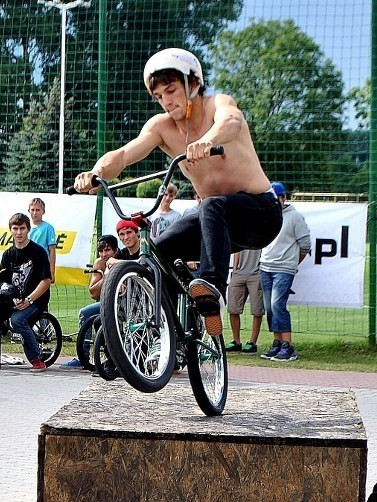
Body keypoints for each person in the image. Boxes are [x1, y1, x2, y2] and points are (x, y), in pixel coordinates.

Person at [73, 47, 282, 338]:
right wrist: (95, 174)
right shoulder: (161, 127)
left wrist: (207, 140)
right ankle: (172, 333)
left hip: (261, 214)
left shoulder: (216, 105)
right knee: (157, 252)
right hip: (218, 224)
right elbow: (122, 155)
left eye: (171, 90)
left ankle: (211, 291)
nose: (166, 101)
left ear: (193, 84)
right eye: (159, 96)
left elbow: (231, 121)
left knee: (210, 205)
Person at [0, 213, 51, 372]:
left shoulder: (38, 252)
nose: (19, 232)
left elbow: (46, 281)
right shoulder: (8, 254)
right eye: (15, 228)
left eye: (22, 228)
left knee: (17, 320)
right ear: (11, 230)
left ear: (28, 229)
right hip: (13, 300)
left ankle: (37, 359)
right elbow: (2, 282)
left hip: (36, 300)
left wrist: (28, 299)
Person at [259, 182, 311, 362]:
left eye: (277, 199)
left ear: (284, 198)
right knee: (269, 307)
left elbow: (305, 245)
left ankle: (288, 346)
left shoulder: (295, 217)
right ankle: (277, 342)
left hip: (284, 269)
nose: (274, 202)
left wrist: (292, 264)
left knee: (276, 305)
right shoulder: (267, 216)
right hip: (265, 266)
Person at [60, 234, 119, 369]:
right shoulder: (99, 263)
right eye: (101, 251)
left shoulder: (119, 259)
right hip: (105, 303)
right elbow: (93, 292)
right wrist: (106, 277)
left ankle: (113, 356)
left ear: (115, 250)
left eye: (108, 250)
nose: (104, 254)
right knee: (85, 313)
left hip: (121, 302)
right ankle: (83, 356)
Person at [225, 249, 263, 353]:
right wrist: (235, 269)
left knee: (257, 309)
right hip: (239, 273)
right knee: (233, 308)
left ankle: (252, 342)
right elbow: (237, 250)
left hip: (257, 274)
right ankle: (236, 341)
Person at [28, 197, 57, 282]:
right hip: (27, 266)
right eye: (32, 210)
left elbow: (52, 250)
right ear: (29, 211)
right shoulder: (24, 227)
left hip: (42, 266)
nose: (35, 213)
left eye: (38, 210)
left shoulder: (48, 228)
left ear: (43, 211)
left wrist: (52, 271)